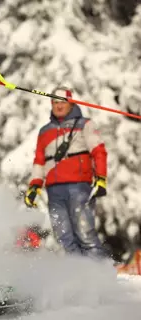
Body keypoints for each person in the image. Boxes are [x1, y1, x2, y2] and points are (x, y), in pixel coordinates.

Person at [24, 87, 109, 258]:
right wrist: (34, 186)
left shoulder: (85, 124)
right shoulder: (45, 131)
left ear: (70, 103)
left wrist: (101, 178)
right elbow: (39, 161)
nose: (59, 106)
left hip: (79, 186)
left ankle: (99, 275)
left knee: (85, 233)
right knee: (64, 237)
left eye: (62, 101)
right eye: (55, 102)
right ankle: (78, 276)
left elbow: (99, 152)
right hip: (54, 190)